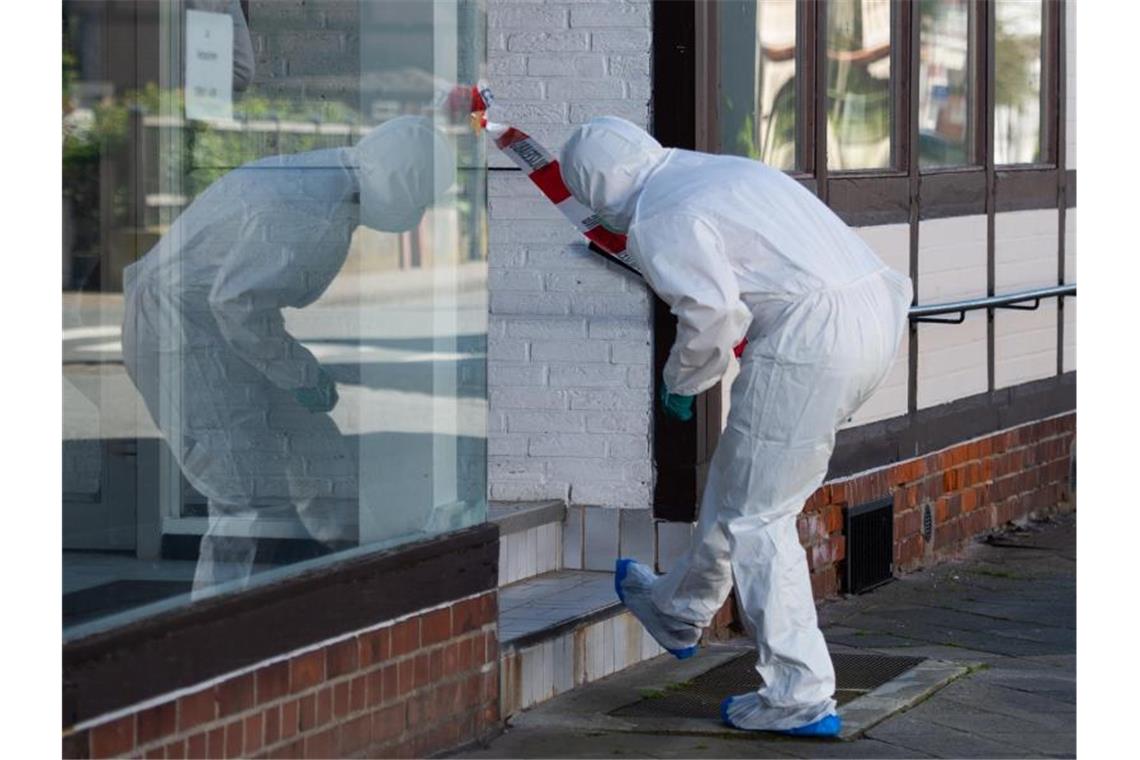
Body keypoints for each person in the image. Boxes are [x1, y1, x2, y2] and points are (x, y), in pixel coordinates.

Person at [559, 116, 912, 737]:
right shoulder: (716, 169)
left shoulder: (661, 214)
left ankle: (798, 695)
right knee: (743, 481)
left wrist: (680, 383)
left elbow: (714, 313)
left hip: (814, 340)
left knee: (759, 516)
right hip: (873, 311)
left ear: (597, 190)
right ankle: (677, 610)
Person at [121, 115, 455, 594]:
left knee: (320, 456)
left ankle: (354, 576)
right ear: (401, 188)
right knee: (248, 498)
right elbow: (238, 304)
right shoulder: (309, 212)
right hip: (182, 334)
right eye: (419, 201)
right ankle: (220, 630)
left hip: (213, 330)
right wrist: (302, 375)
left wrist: (300, 375)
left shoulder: (322, 180)